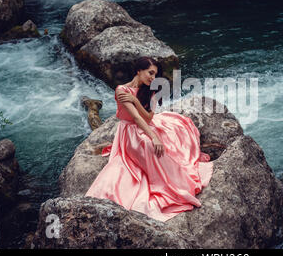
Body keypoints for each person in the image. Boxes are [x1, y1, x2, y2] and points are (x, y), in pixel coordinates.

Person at [85, 56, 213, 222]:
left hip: (147, 125)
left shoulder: (150, 90)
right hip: (130, 131)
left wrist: (136, 102)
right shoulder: (121, 90)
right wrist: (153, 137)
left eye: (155, 74)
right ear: (139, 70)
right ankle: (169, 185)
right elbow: (136, 119)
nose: (153, 78)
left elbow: (148, 118)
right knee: (149, 145)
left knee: (174, 134)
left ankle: (177, 182)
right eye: (150, 73)